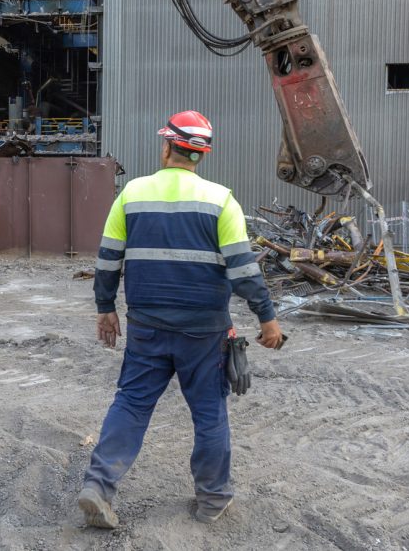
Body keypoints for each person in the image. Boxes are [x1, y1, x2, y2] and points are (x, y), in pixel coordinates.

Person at [77, 110, 284, 528]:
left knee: (131, 404)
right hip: (204, 333)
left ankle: (98, 486)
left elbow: (107, 260)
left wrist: (105, 308)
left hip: (147, 327)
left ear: (168, 147)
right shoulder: (221, 200)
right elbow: (244, 271)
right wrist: (267, 318)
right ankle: (212, 499)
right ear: (200, 155)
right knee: (209, 413)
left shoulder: (132, 194)